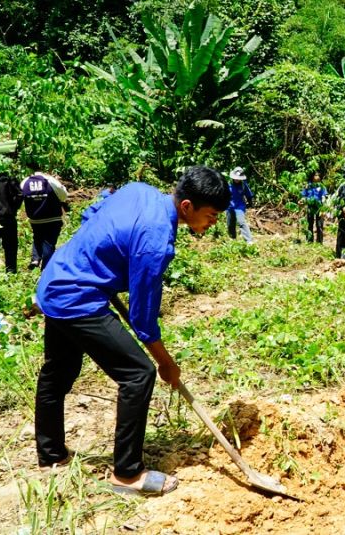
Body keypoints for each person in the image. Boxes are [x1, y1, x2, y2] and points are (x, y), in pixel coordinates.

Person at [34, 166, 230, 496]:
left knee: (60, 370)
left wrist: (98, 256)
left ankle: (50, 455)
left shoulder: (140, 190)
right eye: (210, 216)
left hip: (56, 280)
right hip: (77, 298)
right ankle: (127, 474)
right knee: (139, 373)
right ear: (187, 207)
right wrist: (166, 363)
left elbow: (95, 208)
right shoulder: (156, 241)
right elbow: (143, 318)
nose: (212, 224)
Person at [21, 172, 68, 270]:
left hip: (35, 219)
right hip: (52, 218)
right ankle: (46, 268)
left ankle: (35, 258)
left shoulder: (25, 181)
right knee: (49, 243)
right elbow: (64, 195)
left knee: (37, 236)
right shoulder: (49, 180)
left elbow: (21, 196)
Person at [0, 171, 23, 281]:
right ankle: (11, 275)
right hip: (8, 218)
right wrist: (13, 208)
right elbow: (20, 194)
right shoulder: (9, 179)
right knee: (10, 247)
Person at [226, 166, 255, 244]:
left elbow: (248, 195)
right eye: (236, 178)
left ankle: (249, 240)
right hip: (230, 207)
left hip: (239, 207)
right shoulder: (228, 185)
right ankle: (232, 238)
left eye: (239, 178)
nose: (237, 179)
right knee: (230, 224)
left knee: (241, 222)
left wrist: (250, 203)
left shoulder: (243, 185)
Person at [301, 172, 327, 243]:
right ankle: (309, 240)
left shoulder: (322, 186)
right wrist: (302, 202)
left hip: (319, 207)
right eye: (315, 175)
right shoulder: (308, 185)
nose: (317, 177)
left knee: (319, 224)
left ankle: (319, 241)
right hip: (310, 206)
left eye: (318, 175)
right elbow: (304, 195)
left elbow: (324, 196)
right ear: (312, 176)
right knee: (310, 223)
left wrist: (324, 208)